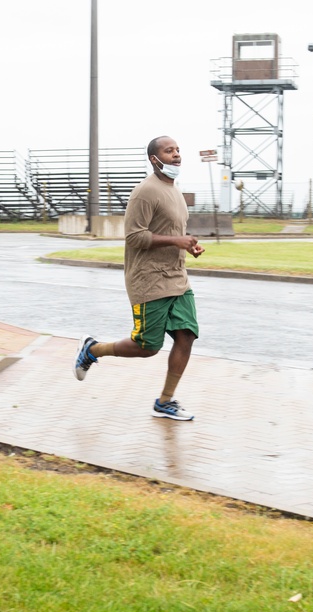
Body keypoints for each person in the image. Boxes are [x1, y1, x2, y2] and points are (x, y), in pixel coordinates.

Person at [73, 135, 204, 420]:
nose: (177, 155)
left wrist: (188, 245)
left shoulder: (175, 191)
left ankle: (165, 401)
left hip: (177, 278)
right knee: (147, 347)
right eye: (169, 151)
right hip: (149, 281)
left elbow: (172, 233)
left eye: (178, 150)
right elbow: (134, 237)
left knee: (186, 336)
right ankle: (93, 349)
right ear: (154, 159)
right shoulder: (145, 191)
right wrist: (176, 241)